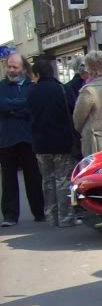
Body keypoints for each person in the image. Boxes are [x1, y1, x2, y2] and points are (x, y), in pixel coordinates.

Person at [26, 58, 77, 227]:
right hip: (61, 142)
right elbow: (73, 110)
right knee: (63, 180)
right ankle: (65, 217)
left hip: (40, 143)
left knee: (47, 180)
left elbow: (28, 112)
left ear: (37, 74)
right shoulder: (62, 89)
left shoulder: (31, 91)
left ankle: (51, 216)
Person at [0, 53, 45, 227]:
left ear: (24, 69)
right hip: (7, 139)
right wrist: (20, 105)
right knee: (8, 179)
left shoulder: (31, 86)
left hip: (28, 138)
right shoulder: (2, 86)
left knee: (33, 177)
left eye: (15, 67)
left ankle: (39, 212)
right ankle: (10, 216)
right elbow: (1, 105)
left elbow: (32, 109)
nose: (11, 70)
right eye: (9, 67)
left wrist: (11, 109)